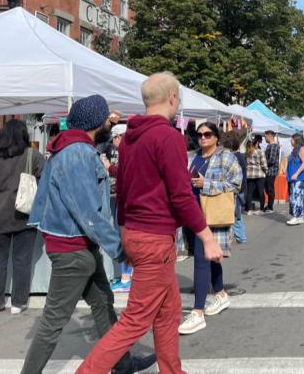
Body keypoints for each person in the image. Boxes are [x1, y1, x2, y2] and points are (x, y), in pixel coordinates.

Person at [77, 73, 223, 374]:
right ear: (172, 98)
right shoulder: (167, 137)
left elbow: (125, 189)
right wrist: (206, 237)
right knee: (135, 321)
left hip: (138, 233)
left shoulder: (130, 138)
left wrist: (123, 232)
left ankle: (172, 370)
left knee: (168, 313)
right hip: (155, 238)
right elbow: (181, 195)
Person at [23, 95, 155, 374]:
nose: (110, 123)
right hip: (73, 250)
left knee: (103, 303)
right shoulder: (78, 154)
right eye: (105, 118)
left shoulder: (71, 146)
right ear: (96, 122)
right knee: (54, 321)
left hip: (78, 247)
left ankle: (122, 363)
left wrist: (106, 119)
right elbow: (89, 213)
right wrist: (120, 249)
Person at [178, 122, 242, 335]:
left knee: (201, 260)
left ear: (216, 137)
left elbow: (236, 184)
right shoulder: (192, 156)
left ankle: (198, 312)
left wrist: (207, 184)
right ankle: (221, 294)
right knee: (212, 258)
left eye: (207, 134)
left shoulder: (226, 157)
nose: (202, 138)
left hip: (212, 216)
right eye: (199, 135)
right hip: (192, 214)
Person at [0, 119, 45, 314]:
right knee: (22, 260)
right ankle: (18, 302)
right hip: (24, 215)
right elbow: (45, 183)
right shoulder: (33, 156)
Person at [102, 124, 134, 293]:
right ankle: (127, 275)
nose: (114, 142)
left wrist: (109, 168)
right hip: (126, 200)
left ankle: (126, 277)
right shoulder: (131, 150)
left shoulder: (128, 152)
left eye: (115, 137)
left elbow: (124, 173)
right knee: (124, 238)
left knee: (124, 238)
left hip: (126, 200)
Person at [220, 131, 247, 244]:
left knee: (234, 214)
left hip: (236, 190)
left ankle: (239, 237)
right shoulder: (240, 156)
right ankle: (240, 236)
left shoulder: (234, 157)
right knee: (237, 214)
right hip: (241, 189)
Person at [286, 133, 304, 225]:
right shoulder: (295, 150)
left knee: (296, 196)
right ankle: (299, 216)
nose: (290, 141)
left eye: (291, 139)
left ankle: (296, 216)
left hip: (299, 177)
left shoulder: (302, 149)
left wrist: (296, 173)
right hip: (295, 178)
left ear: (295, 140)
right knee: (297, 197)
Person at [245, 134, 268, 215]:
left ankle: (249, 210)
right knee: (261, 192)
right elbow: (264, 164)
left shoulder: (246, 152)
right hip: (259, 174)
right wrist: (266, 171)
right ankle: (261, 209)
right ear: (256, 144)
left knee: (249, 192)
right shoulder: (260, 152)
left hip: (249, 175)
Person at [264, 130, 280, 213]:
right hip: (268, 171)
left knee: (270, 189)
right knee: (267, 188)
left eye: (265, 136)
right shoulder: (269, 145)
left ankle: (270, 207)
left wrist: (263, 163)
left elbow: (272, 160)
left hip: (271, 170)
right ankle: (269, 206)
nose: (264, 138)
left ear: (269, 136)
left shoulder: (273, 146)